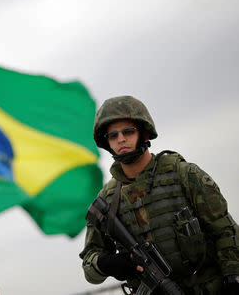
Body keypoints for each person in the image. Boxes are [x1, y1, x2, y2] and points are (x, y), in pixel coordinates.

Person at [79, 96, 239, 294]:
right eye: (113, 135)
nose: (121, 139)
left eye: (128, 132)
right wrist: (106, 263)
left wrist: (233, 277)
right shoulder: (107, 200)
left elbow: (225, 231)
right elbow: (89, 267)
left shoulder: (184, 175)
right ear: (107, 142)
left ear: (144, 134)